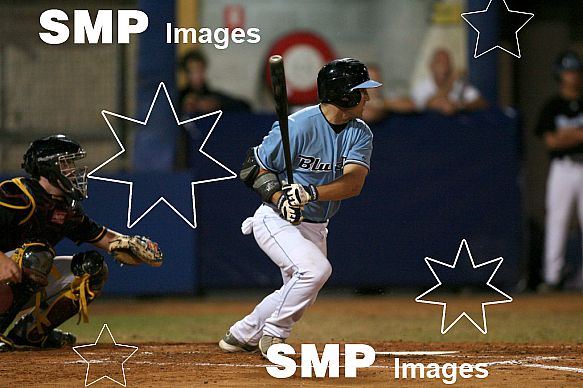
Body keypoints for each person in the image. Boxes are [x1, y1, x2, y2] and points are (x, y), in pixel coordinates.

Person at [218, 58, 381, 357]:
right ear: (344, 94)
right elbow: (252, 168)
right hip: (275, 219)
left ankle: (241, 334)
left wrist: (308, 193)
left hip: (316, 224)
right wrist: (280, 198)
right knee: (315, 270)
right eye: (361, 90)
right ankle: (274, 336)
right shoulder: (296, 126)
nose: (367, 97)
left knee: (302, 288)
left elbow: (353, 184)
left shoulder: (360, 133)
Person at [0, 134, 163, 352]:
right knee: (35, 255)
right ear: (48, 167)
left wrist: (131, 244)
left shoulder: (65, 208)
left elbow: (106, 239)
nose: (72, 170)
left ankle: (28, 334)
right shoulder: (18, 194)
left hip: (13, 279)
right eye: (66, 163)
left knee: (92, 269)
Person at [536, 50, 583, 290]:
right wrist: (578, 135)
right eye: (567, 71)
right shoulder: (552, 106)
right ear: (559, 75)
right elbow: (551, 142)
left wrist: (568, 135)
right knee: (557, 220)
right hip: (562, 167)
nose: (572, 76)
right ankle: (552, 278)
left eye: (575, 70)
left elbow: (560, 137)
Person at [411, 48, 487, 115]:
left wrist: (460, 106)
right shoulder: (421, 87)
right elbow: (430, 104)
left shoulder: (458, 85)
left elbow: (481, 102)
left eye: (447, 63)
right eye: (440, 63)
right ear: (432, 66)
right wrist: (451, 80)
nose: (444, 67)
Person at [179, 49, 251, 114]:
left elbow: (245, 106)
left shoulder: (214, 97)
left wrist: (217, 104)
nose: (198, 75)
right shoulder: (178, 97)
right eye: (193, 71)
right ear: (186, 73)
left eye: (200, 70)